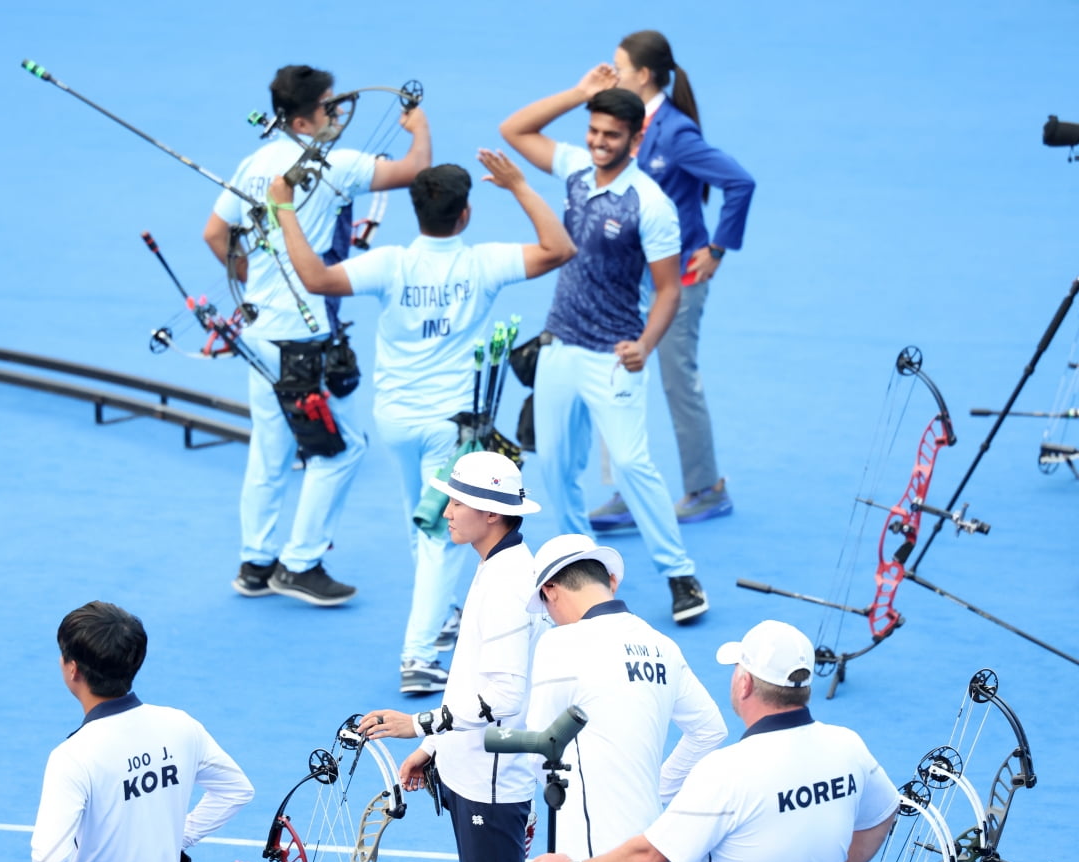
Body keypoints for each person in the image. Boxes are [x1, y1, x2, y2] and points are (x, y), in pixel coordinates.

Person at [269, 151, 574, 691]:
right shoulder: (482, 262)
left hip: (395, 419)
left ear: (418, 212)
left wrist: (283, 208)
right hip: (450, 426)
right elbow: (560, 247)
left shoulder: (390, 263)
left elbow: (315, 277)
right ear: (465, 215)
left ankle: (444, 614)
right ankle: (418, 655)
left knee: (421, 518)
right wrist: (520, 184)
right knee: (440, 535)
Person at [204, 64, 431, 606]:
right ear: (305, 118)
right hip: (300, 340)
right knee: (342, 450)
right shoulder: (336, 165)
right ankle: (299, 564)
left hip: (260, 331)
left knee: (271, 448)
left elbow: (215, 233)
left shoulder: (255, 163)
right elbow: (415, 170)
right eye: (330, 104)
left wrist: (250, 281)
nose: (338, 111)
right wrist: (418, 126)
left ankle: (255, 563)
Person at [524, 620, 900, 862]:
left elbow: (650, 856)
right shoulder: (848, 747)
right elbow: (883, 814)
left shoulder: (728, 771)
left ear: (745, 684)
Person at [500, 80, 708, 623]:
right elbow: (514, 130)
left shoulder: (652, 206)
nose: (597, 142)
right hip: (558, 347)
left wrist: (645, 344)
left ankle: (680, 574)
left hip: (612, 356)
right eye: (592, 130)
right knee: (557, 468)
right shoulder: (573, 167)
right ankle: (581, 574)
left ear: (636, 138)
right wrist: (579, 93)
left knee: (634, 464)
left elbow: (669, 290)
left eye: (610, 135)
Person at [355, 451, 546, 862]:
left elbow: (502, 696)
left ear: (490, 513)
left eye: (457, 502)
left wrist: (417, 725)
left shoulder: (507, 582)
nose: (446, 513)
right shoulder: (497, 564)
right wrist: (433, 748)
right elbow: (471, 681)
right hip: (475, 772)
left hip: (492, 786)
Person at [589, 30, 755, 532]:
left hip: (677, 279)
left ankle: (706, 489)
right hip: (631, 277)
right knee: (618, 374)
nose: (612, 72)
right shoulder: (631, 125)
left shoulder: (677, 132)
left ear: (643, 75)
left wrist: (718, 248)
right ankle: (625, 489)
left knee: (676, 381)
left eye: (619, 67)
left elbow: (739, 182)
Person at [522, 534, 728, 862]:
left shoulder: (560, 643)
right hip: (649, 851)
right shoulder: (661, 644)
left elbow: (539, 753)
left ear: (550, 591)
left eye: (545, 608)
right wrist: (658, 786)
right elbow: (710, 731)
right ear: (610, 582)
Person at [31, 601, 254, 862]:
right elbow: (236, 790)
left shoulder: (73, 755)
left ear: (72, 669)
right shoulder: (181, 726)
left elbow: (48, 860)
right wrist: (179, 837)